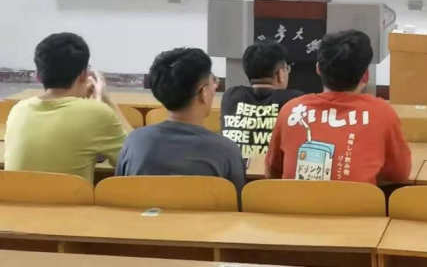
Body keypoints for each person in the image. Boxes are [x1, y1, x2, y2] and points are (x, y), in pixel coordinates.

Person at [265, 29, 411, 184]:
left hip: (295, 200)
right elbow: (399, 173)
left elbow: (272, 172)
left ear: (318, 69)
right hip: (357, 200)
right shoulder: (382, 113)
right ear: (365, 76)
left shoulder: (292, 111)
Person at [5, 32, 132, 183]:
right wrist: (107, 102)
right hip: (71, 199)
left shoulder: (18, 110)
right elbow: (136, 158)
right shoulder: (97, 113)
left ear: (38, 76)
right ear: (84, 75)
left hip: (16, 198)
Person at [116, 48, 246, 195]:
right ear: (203, 93)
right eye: (213, 81)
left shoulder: (134, 142)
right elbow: (236, 205)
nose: (215, 86)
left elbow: (120, 195)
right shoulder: (226, 151)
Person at [221, 41, 303, 156]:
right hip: (275, 168)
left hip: (235, 167)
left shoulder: (231, 96)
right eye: (286, 69)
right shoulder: (296, 101)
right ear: (280, 74)